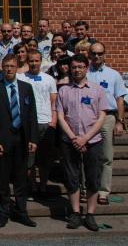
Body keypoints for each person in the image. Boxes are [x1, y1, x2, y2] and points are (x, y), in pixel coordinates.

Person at [57, 54, 108, 231]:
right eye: (74, 67)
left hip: (92, 140)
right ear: (70, 69)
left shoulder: (97, 90)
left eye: (80, 66)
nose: (77, 70)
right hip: (69, 140)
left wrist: (85, 138)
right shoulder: (64, 90)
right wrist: (73, 137)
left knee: (93, 178)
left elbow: (102, 116)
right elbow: (61, 116)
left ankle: (91, 214)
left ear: (86, 68)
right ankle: (76, 213)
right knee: (72, 178)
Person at [0, 54, 39, 228]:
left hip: (22, 139)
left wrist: (33, 138)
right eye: (6, 66)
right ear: (2, 67)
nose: (9, 69)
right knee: (2, 180)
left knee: (21, 179)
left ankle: (21, 212)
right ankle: (3, 212)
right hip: (4, 141)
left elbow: (32, 114)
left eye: (12, 66)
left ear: (17, 67)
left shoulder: (26, 88)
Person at [86, 42, 126, 205]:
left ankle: (103, 191)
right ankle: (86, 189)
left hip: (108, 117)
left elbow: (120, 98)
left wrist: (120, 121)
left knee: (106, 156)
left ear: (105, 54)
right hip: (88, 117)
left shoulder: (113, 75)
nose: (97, 56)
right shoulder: (84, 72)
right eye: (94, 53)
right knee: (86, 155)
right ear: (89, 54)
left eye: (100, 53)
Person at [17, 50, 58, 198]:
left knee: (45, 160)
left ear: (41, 61)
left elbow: (54, 102)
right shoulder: (20, 78)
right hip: (28, 125)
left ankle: (43, 186)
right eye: (31, 61)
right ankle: (32, 186)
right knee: (30, 159)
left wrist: (53, 121)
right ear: (27, 61)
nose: (34, 63)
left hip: (46, 123)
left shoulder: (49, 79)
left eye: (36, 61)